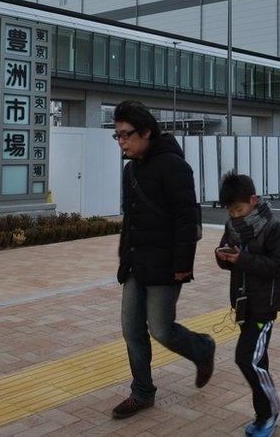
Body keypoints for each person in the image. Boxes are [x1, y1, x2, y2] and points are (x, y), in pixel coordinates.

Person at [111, 101, 216, 420]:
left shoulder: (174, 166)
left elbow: (186, 219)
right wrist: (123, 257)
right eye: (117, 136)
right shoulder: (131, 170)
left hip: (167, 264)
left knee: (160, 328)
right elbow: (131, 219)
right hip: (136, 264)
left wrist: (183, 266)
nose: (122, 142)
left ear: (146, 132)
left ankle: (202, 348)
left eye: (127, 135)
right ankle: (142, 391)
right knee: (131, 330)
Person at [215, 171, 280, 437]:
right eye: (230, 211)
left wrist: (242, 260)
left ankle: (268, 412)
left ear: (254, 200)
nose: (235, 215)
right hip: (243, 304)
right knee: (258, 359)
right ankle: (267, 410)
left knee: (247, 359)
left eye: (239, 209)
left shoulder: (274, 228)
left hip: (264, 307)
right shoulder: (232, 227)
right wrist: (222, 256)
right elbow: (229, 258)